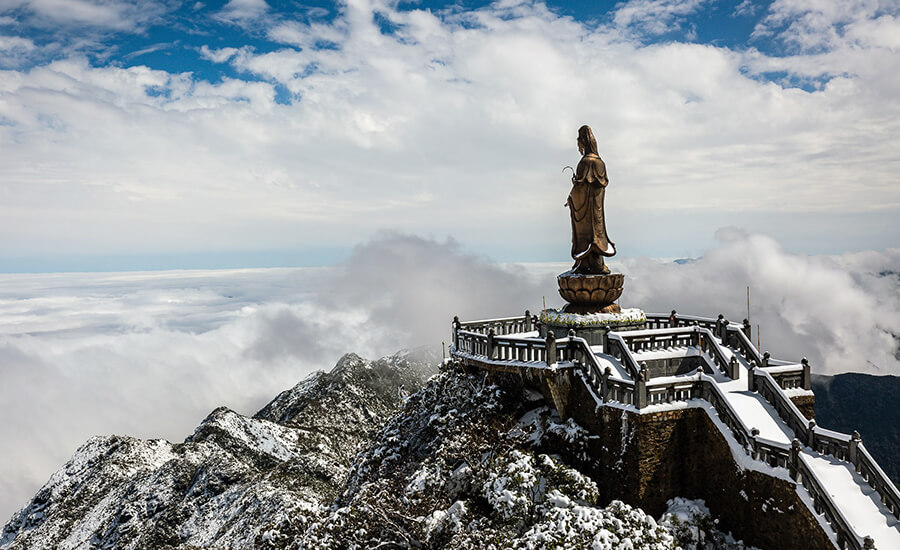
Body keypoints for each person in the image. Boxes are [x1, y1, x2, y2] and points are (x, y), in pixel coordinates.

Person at [567, 125, 616, 274]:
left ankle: (586, 263)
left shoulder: (585, 163)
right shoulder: (600, 162)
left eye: (579, 142)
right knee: (597, 233)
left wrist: (572, 196)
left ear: (583, 142)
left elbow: (580, 189)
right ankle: (597, 262)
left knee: (587, 236)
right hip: (597, 210)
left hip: (587, 211)